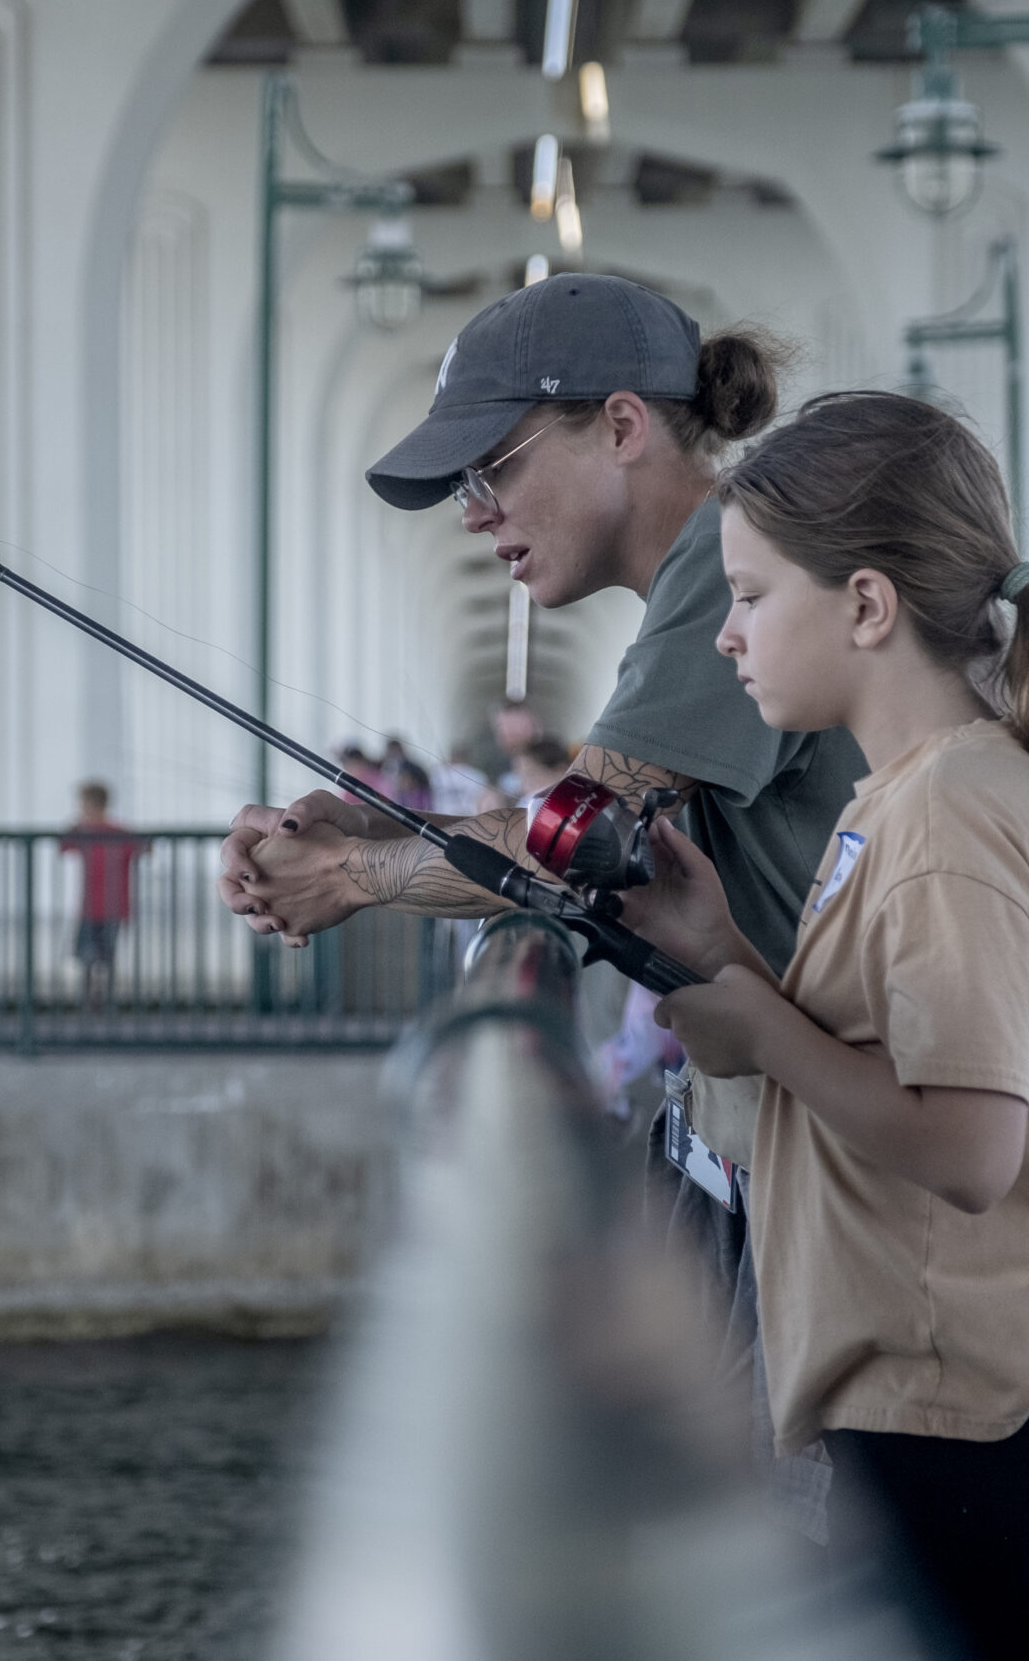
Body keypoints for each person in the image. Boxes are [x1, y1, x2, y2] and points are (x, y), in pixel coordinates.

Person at [218, 274, 866, 1514]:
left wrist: (351, 876)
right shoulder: (720, 574)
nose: (474, 516)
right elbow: (583, 821)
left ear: (621, 425)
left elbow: (575, 840)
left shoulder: (737, 568)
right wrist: (368, 828)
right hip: (797, 1152)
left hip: (854, 1174)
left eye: (493, 470)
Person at [621, 391, 1029, 1660]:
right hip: (956, 1395)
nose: (724, 638)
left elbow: (967, 1151)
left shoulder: (946, 815)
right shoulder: (907, 794)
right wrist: (721, 951)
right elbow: (890, 1050)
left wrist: (763, 1037)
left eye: (748, 595)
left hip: (978, 1409)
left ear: (866, 605)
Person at [64, 780, 141, 1009]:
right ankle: (99, 1001)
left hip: (104, 905)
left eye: (84, 804)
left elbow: (64, 845)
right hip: (103, 905)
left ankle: (95, 1001)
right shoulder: (115, 832)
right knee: (101, 956)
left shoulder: (106, 833)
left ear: (94, 805)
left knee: (96, 956)